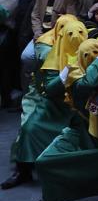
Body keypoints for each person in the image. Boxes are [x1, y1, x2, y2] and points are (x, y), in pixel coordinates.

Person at [22, 35, 98, 201]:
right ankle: (50, 197)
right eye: (86, 56)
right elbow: (82, 85)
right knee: (44, 160)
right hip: (78, 126)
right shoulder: (75, 71)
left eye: (95, 55)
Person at [3, 15, 89, 190]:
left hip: (78, 109)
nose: (74, 37)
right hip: (52, 104)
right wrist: (64, 74)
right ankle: (23, 170)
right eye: (68, 33)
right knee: (30, 128)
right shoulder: (48, 52)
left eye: (79, 32)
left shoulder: (88, 50)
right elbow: (50, 88)